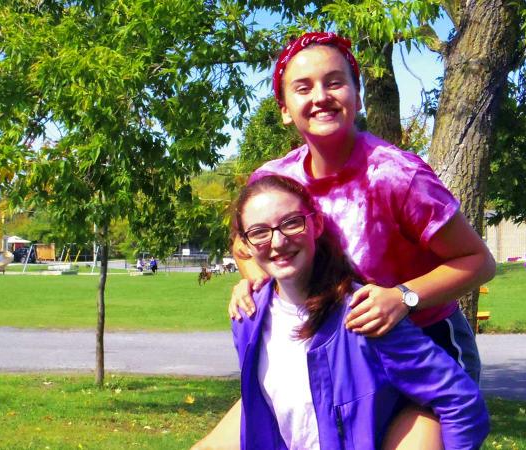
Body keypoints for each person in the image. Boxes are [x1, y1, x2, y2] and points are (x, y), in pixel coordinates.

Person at [203, 31, 496, 448]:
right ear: (285, 109)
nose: (320, 96)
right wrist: (253, 279)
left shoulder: (398, 176)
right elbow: (244, 241)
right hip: (341, 358)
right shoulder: (274, 180)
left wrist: (402, 297)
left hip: (424, 356)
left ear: (357, 96)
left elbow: (478, 261)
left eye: (334, 82)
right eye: (303, 88)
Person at [208, 175, 489, 449]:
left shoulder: (363, 314)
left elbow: (461, 402)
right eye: (259, 232)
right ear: (244, 244)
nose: (278, 241)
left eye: (291, 223)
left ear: (315, 224)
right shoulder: (248, 317)